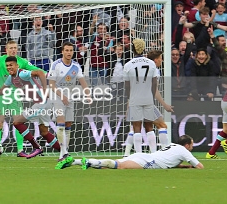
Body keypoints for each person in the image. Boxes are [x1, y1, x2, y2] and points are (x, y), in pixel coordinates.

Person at [0, 40, 49, 157]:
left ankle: (20, 150)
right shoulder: (0, 60)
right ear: (6, 50)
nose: (13, 50)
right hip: (1, 95)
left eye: (15, 48)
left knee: (18, 122)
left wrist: (48, 75)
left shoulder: (21, 62)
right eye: (11, 48)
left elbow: (37, 69)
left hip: (16, 95)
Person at [123, 50, 173, 155]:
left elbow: (130, 87)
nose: (161, 60)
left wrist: (129, 105)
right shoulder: (153, 69)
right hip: (146, 101)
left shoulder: (132, 66)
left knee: (135, 128)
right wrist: (164, 105)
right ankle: (165, 153)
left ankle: (127, 154)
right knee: (161, 125)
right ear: (155, 60)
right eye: (160, 58)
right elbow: (154, 91)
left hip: (135, 100)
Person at [49, 42, 90, 169]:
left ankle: (63, 153)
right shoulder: (56, 65)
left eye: (71, 50)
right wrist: (62, 96)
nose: (68, 52)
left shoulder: (76, 66)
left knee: (68, 125)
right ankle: (64, 153)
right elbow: (51, 84)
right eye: (66, 50)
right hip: (57, 97)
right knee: (60, 123)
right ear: (62, 51)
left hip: (70, 98)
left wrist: (88, 94)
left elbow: (82, 81)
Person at [59, 135, 203, 170]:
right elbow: (200, 166)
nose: (192, 147)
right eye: (191, 145)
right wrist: (192, 165)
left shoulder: (173, 146)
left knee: (111, 166)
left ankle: (74, 161)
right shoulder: (184, 151)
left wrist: (185, 167)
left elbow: (170, 162)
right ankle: (87, 161)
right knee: (118, 166)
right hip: (147, 162)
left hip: (143, 156)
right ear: (186, 145)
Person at [124, 39, 158, 155]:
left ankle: (139, 155)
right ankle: (154, 154)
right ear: (143, 48)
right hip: (148, 97)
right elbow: (154, 83)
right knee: (149, 126)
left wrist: (129, 98)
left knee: (136, 127)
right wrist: (152, 96)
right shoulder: (151, 63)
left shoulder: (128, 65)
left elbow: (127, 85)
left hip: (135, 97)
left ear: (133, 49)